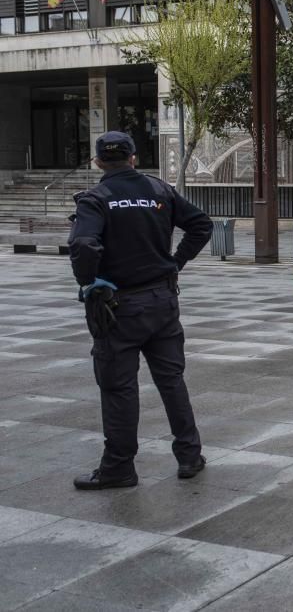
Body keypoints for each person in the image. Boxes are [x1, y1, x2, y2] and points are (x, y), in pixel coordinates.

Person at [68, 131, 213, 490]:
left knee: (119, 388)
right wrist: (174, 263)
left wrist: (89, 283)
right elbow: (201, 225)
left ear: (99, 161)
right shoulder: (158, 190)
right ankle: (190, 455)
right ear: (134, 157)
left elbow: (83, 244)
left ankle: (119, 468)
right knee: (172, 381)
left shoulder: (96, 198)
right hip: (163, 303)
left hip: (119, 308)